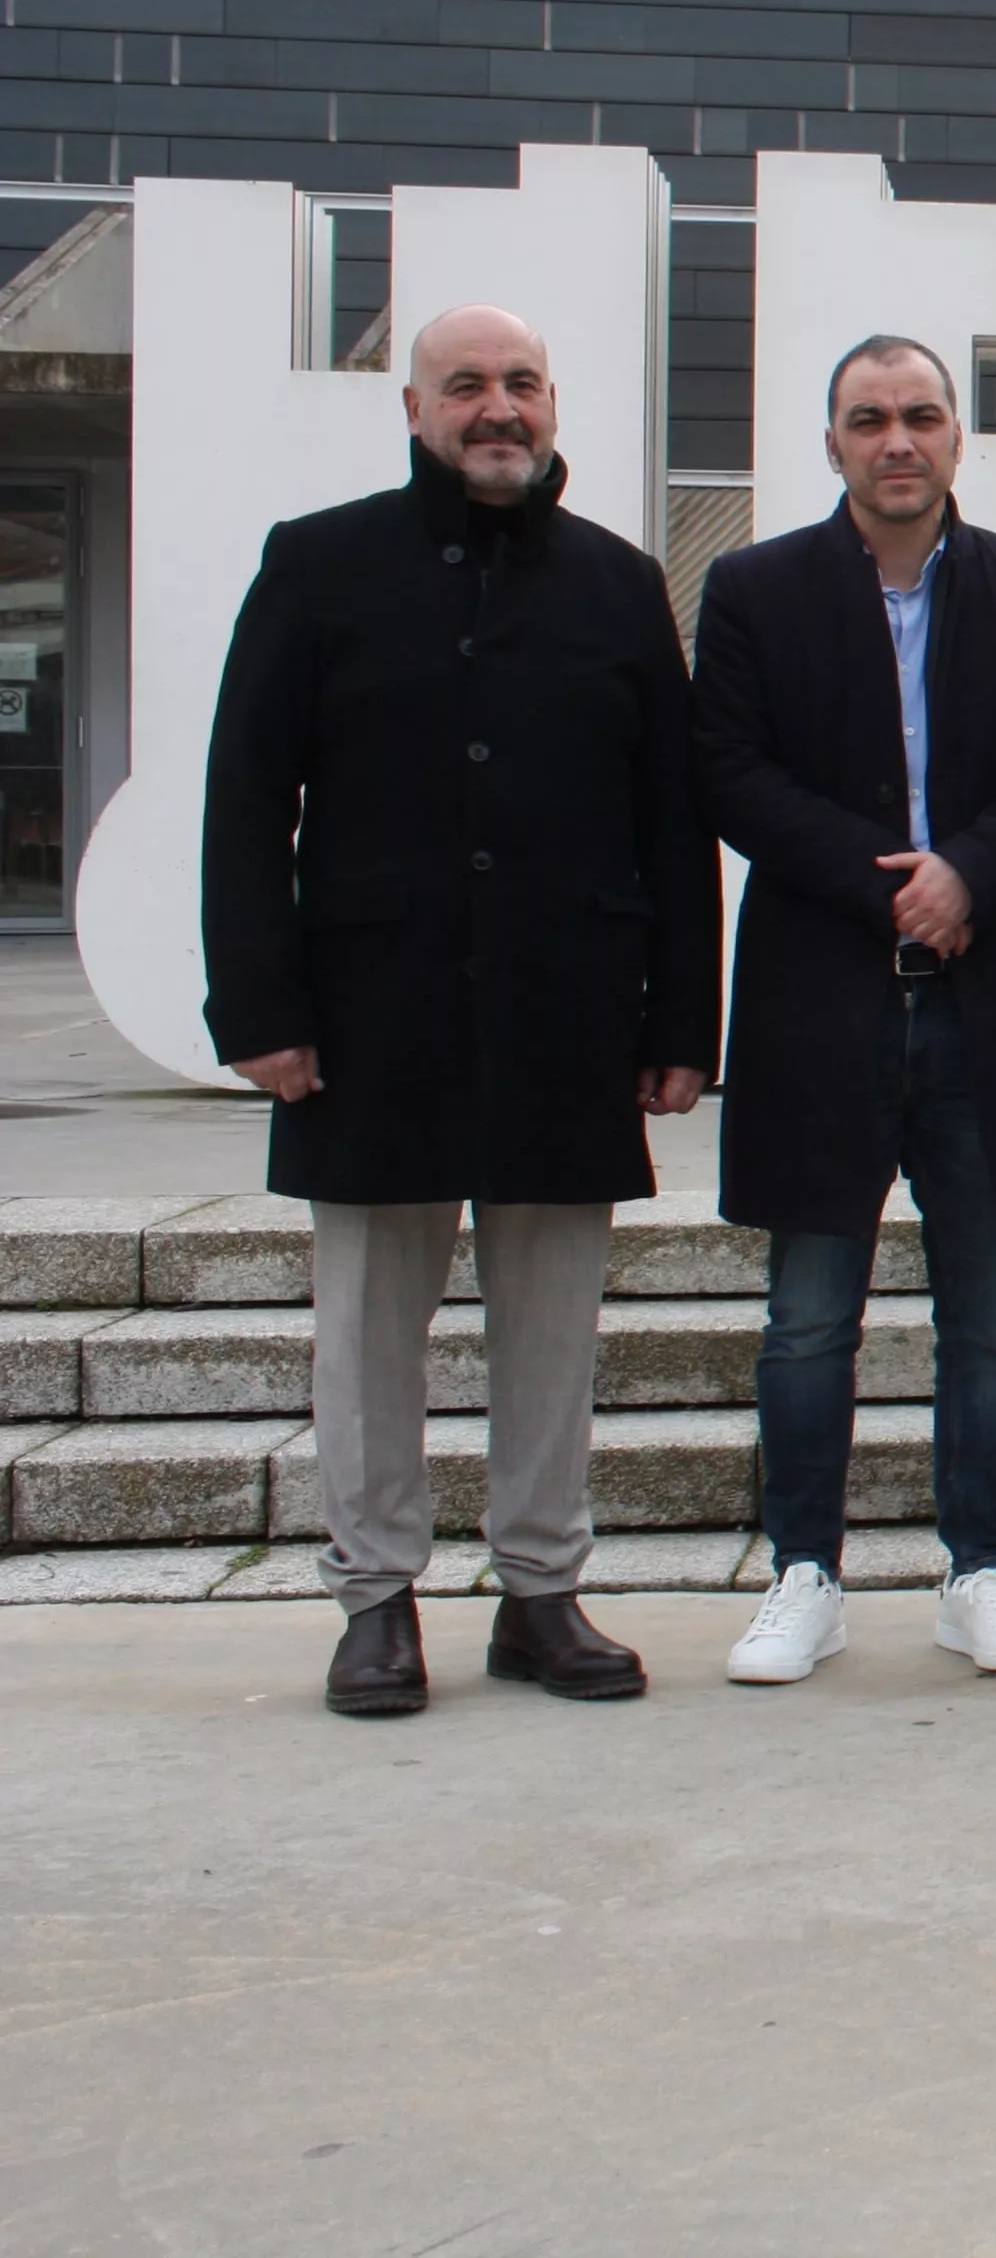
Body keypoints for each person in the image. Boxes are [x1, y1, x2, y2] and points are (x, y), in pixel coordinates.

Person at [201, 304, 721, 1717]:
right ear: (417, 409)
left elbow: (670, 818)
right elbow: (247, 794)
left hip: (569, 1010)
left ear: (553, 404)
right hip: (370, 1013)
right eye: (469, 385)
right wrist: (257, 1005)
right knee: (369, 1329)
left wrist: (683, 1023)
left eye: (523, 384)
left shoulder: (619, 582)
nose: (500, 407)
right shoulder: (318, 563)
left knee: (551, 1329)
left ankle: (541, 1594)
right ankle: (375, 1599)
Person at [696, 335, 996, 1682]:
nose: (897, 440)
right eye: (868, 419)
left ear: (954, 435)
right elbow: (730, 772)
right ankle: (804, 1574)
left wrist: (968, 873)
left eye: (920, 415)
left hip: (986, 1006)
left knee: (990, 1320)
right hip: (821, 1003)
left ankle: (981, 1571)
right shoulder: (755, 589)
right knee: (810, 1318)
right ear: (833, 443)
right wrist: (893, 892)